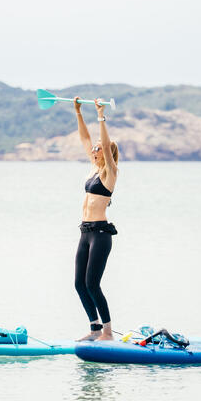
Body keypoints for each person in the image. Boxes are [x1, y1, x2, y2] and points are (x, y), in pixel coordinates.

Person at [73, 96, 119, 341]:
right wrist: (78, 112)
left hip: (101, 234)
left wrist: (100, 115)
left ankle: (108, 332)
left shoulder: (109, 172)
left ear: (108, 152)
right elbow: (84, 138)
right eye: (95, 148)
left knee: (93, 284)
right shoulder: (92, 167)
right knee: (79, 284)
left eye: (99, 147)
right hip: (85, 232)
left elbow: (103, 142)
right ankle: (95, 329)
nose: (94, 149)